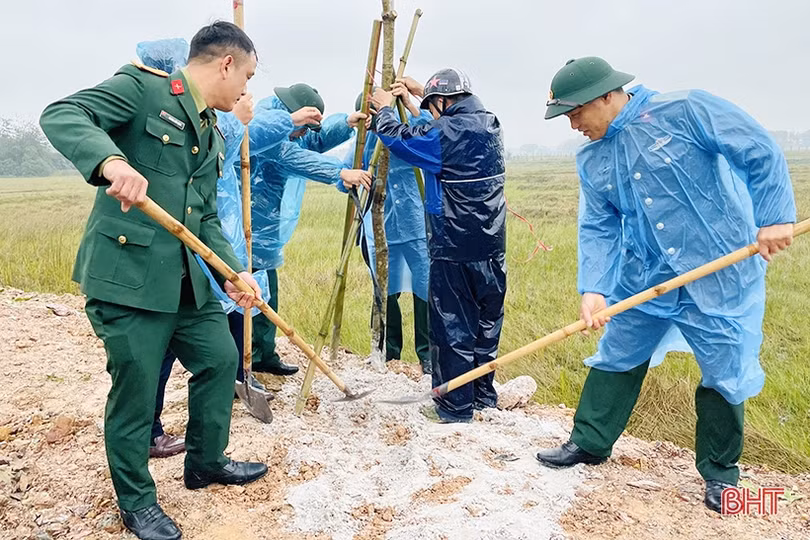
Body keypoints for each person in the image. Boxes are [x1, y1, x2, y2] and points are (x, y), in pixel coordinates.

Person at [40, 22, 270, 540]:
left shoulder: (209, 130)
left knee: (219, 358)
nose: (246, 91)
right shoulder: (144, 90)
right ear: (226, 64)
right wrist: (109, 160)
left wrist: (232, 273)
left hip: (187, 282)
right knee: (138, 390)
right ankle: (136, 502)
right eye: (247, 76)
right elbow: (63, 113)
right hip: (129, 281)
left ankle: (206, 461)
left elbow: (206, 217)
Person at [536, 56, 796, 513]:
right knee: (618, 351)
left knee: (724, 368)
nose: (572, 124)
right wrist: (593, 287)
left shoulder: (687, 111)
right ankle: (590, 443)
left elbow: (756, 148)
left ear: (607, 95)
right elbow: (598, 225)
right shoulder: (593, 158)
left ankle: (720, 475)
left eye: (576, 112)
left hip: (718, 272)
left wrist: (774, 216)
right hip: (645, 278)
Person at [363, 70, 507, 423]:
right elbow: (435, 130)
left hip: (452, 242)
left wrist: (384, 110)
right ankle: (482, 394)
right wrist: (416, 101)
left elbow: (403, 139)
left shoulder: (445, 133)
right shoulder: (488, 123)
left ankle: (454, 407)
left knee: (452, 325)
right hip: (491, 243)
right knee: (484, 323)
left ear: (444, 103)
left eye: (434, 107)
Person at [247, 86, 371, 376]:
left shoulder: (291, 128)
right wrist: (338, 172)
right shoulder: (265, 126)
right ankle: (244, 364)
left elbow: (312, 141)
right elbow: (291, 155)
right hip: (246, 224)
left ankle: (264, 355)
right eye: (303, 128)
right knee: (246, 297)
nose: (305, 136)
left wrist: (345, 123)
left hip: (265, 229)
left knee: (267, 291)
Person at [338, 89, 432, 373]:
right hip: (378, 228)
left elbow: (431, 126)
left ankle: (427, 354)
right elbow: (343, 176)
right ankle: (386, 350)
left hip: (416, 223)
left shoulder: (408, 133)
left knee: (424, 288)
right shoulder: (362, 144)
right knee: (384, 291)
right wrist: (354, 177)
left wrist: (412, 101)